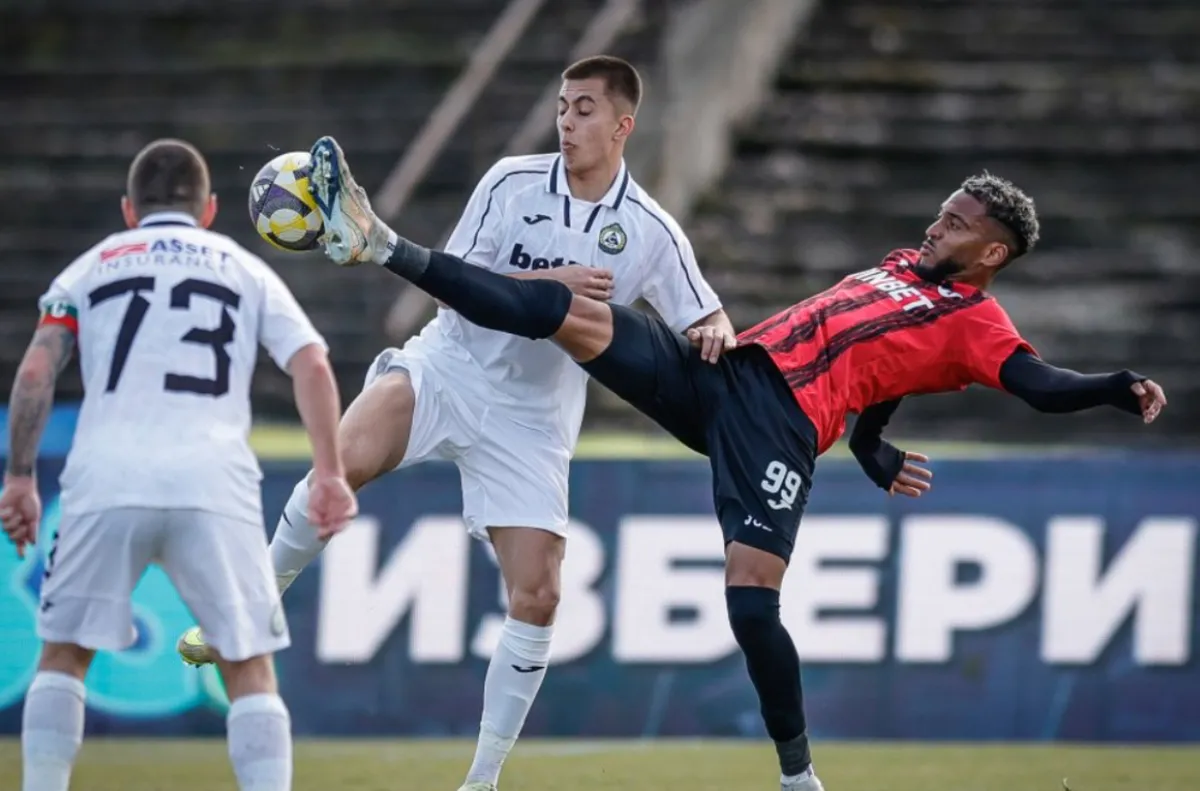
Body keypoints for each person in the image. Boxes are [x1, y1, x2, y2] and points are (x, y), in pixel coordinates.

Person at [302, 132, 1168, 791]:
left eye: (957, 223)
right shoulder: (909, 267)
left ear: (991, 254)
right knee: (565, 309)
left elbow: (1035, 382)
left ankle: (798, 774)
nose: (935, 223)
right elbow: (890, 362)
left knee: (752, 608)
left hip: (779, 432)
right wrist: (874, 444)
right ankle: (385, 245)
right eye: (943, 209)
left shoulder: (983, 322)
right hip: (724, 373)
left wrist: (1111, 384)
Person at [178, 55, 732, 791]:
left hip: (532, 419)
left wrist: (717, 327)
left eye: (586, 109)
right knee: (338, 464)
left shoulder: (650, 231)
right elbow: (457, 287)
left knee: (538, 594)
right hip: (450, 367)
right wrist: (550, 284)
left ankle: (482, 778)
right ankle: (244, 610)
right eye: (564, 106)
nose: (567, 121)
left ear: (623, 125)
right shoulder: (510, 181)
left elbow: (706, 311)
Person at [0, 139, 358, 791]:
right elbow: (310, 363)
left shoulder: (93, 266)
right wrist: (330, 471)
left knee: (64, 655)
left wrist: (20, 477)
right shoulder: (244, 268)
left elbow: (34, 368)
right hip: (212, 481)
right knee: (247, 664)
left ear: (129, 211)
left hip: (104, 481)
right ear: (212, 209)